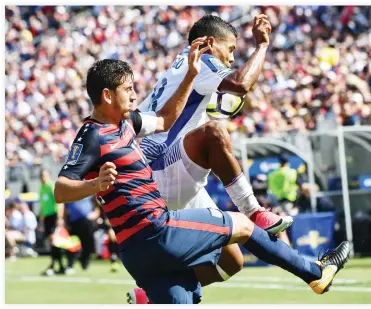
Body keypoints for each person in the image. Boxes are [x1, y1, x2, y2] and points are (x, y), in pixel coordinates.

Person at [54, 41, 350, 304]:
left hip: (139, 255)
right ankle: (315, 272)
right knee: (243, 226)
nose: (134, 95)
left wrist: (192, 76)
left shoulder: (128, 122)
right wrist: (96, 184)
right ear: (107, 96)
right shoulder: (91, 135)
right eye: (128, 89)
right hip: (156, 232)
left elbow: (166, 118)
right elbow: (61, 189)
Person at [135, 14, 293, 288]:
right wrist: (262, 46)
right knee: (215, 132)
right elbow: (241, 84)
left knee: (231, 261)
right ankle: (253, 210)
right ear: (209, 42)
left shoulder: (182, 63)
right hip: (160, 168)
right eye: (230, 49)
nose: (232, 58)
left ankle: (150, 294)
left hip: (156, 168)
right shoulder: (203, 60)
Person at [39, 169, 65, 276]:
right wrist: (41, 220)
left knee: (54, 241)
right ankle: (60, 266)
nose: (43, 177)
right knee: (52, 242)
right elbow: (43, 205)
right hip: (47, 218)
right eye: (41, 175)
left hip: (53, 216)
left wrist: (59, 217)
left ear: (49, 176)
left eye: (44, 175)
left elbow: (60, 201)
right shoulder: (42, 188)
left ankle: (54, 265)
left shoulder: (51, 186)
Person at [64, 196, 97, 272]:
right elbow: (65, 209)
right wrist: (65, 222)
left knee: (88, 244)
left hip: (87, 221)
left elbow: (97, 204)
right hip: (73, 222)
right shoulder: (69, 191)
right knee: (72, 244)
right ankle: (70, 265)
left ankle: (85, 263)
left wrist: (95, 214)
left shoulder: (89, 190)